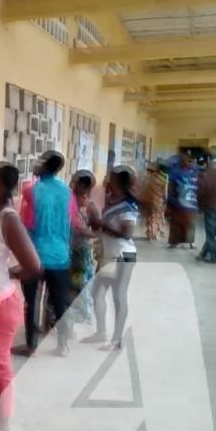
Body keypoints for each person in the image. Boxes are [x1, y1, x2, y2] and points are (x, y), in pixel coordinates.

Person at [0, 162, 41, 431]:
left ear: (3, 186)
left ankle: (4, 428)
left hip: (0, 302)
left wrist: (7, 275)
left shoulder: (8, 219)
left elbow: (33, 265)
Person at [18, 150, 78, 357]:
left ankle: (31, 344)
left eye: (38, 162)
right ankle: (63, 345)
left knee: (31, 302)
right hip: (60, 255)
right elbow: (71, 223)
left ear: (43, 164)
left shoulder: (30, 190)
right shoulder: (67, 192)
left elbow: (26, 224)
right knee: (59, 301)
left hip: (35, 254)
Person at [83, 166, 139, 350]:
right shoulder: (112, 199)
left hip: (123, 255)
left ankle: (116, 340)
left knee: (118, 296)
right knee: (97, 292)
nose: (107, 179)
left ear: (120, 182)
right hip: (109, 254)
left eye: (111, 178)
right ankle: (101, 332)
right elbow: (103, 226)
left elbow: (127, 232)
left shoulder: (128, 205)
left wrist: (102, 225)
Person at [68, 170, 100, 325]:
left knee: (78, 285)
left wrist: (84, 231)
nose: (81, 187)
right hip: (65, 251)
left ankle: (76, 319)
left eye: (85, 185)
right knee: (64, 286)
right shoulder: (66, 201)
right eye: (79, 183)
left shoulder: (90, 207)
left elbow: (97, 230)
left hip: (79, 252)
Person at [166, 152, 199, 248]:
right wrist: (171, 200)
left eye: (190, 161)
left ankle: (191, 243)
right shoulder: (176, 172)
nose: (189, 163)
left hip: (192, 203)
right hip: (179, 202)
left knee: (191, 224)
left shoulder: (195, 173)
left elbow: (199, 186)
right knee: (176, 223)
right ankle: (174, 242)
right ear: (181, 162)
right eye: (186, 161)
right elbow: (171, 187)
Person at [140, 160, 168, 241]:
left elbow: (145, 188)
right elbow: (164, 190)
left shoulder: (150, 177)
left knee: (150, 217)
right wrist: (165, 199)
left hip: (150, 199)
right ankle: (153, 233)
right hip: (159, 200)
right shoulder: (163, 178)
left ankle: (150, 232)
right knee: (156, 217)